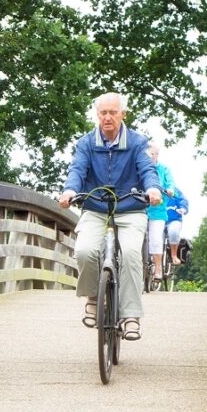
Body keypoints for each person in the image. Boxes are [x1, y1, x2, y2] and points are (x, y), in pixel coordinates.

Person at [58, 92, 162, 341]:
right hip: (95, 207)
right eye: (102, 113)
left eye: (112, 112)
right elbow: (77, 170)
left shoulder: (138, 142)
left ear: (122, 114)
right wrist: (70, 190)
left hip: (130, 208)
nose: (107, 117)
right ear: (97, 115)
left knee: (131, 254)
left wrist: (152, 188)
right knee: (84, 251)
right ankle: (93, 297)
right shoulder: (86, 143)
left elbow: (147, 169)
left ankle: (131, 316)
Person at [145, 141, 175, 283]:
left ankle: (158, 268)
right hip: (141, 208)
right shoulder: (141, 167)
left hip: (158, 209)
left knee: (156, 238)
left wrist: (170, 190)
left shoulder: (164, 169)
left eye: (154, 154)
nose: (152, 156)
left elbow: (170, 183)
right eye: (150, 154)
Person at [166, 186, 189, 264]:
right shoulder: (151, 187)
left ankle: (174, 255)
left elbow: (182, 200)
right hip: (157, 219)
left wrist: (183, 208)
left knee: (174, 232)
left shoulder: (174, 190)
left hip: (174, 219)